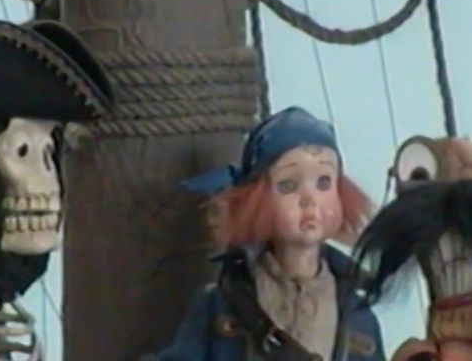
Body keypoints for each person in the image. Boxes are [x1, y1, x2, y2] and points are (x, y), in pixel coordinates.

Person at [143, 106, 385, 361]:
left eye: (323, 182)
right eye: (288, 185)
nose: (309, 200)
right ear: (257, 200)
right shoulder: (221, 304)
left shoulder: (360, 317)